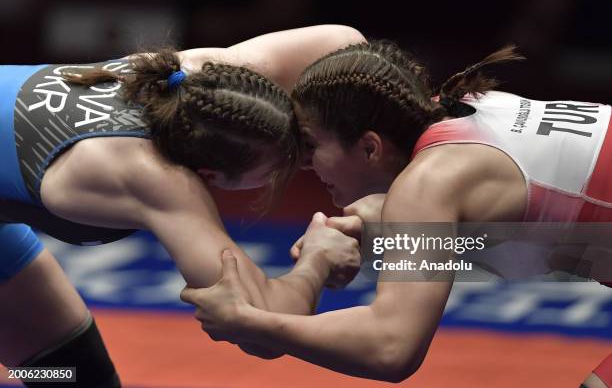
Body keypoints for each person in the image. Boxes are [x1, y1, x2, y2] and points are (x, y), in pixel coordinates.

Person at [180, 40, 612, 384]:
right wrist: (378, 227)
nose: (306, 164)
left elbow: (391, 348)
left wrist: (251, 321)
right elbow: (512, 219)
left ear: (370, 147)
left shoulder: (430, 182)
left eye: (312, 145)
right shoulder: (463, 108)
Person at [0, 25, 365, 387]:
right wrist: (317, 260)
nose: (304, 164)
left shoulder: (195, 76)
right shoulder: (154, 179)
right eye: (277, 168)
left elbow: (345, 41)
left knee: (73, 378)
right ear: (211, 176)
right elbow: (262, 330)